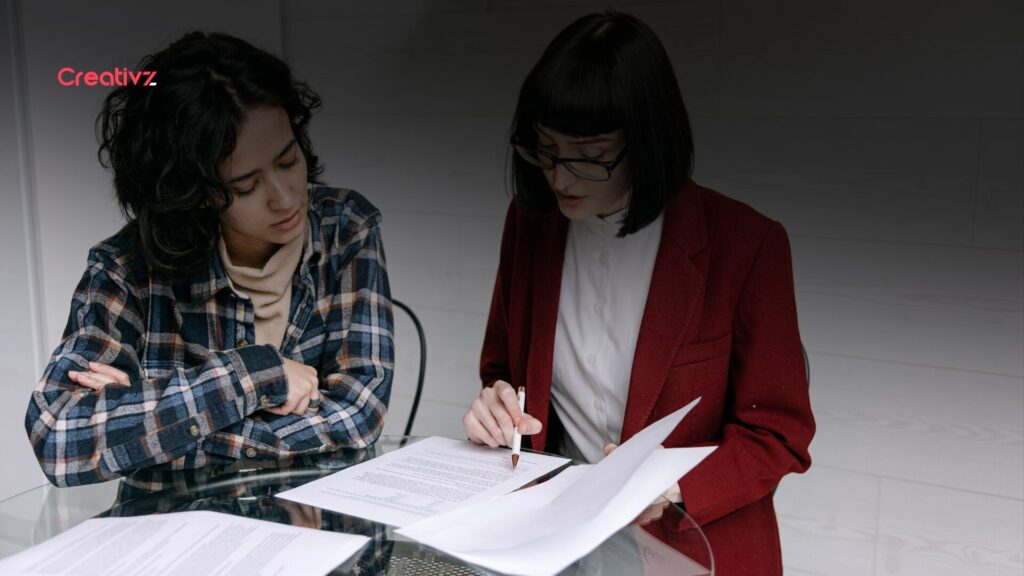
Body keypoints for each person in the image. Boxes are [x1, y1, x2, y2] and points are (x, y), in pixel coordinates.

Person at [462, 11, 814, 575]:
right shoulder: (532, 223)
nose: (561, 178)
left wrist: (671, 484)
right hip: (559, 538)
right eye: (545, 149)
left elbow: (779, 433)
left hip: (689, 548)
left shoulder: (747, 245)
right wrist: (497, 404)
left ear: (648, 142)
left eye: (590, 155)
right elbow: (503, 368)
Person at [25, 32, 394, 487]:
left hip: (311, 526)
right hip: (170, 538)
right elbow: (59, 439)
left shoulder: (347, 229)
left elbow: (360, 416)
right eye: (245, 186)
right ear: (194, 192)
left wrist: (156, 427)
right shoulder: (126, 269)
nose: (284, 198)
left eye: (287, 159)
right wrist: (257, 374)